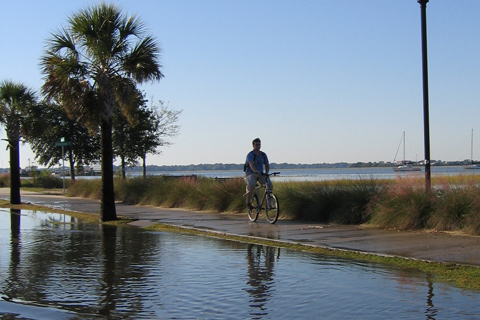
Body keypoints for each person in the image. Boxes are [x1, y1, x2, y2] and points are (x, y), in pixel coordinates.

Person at [244, 138, 273, 209]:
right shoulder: (250, 155)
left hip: (261, 174)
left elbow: (267, 165)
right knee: (251, 185)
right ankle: (248, 202)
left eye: (259, 144)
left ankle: (269, 204)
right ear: (253, 145)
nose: (258, 146)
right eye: (256, 145)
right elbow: (251, 164)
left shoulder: (263, 154)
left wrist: (266, 173)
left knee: (269, 185)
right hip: (250, 173)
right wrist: (255, 170)